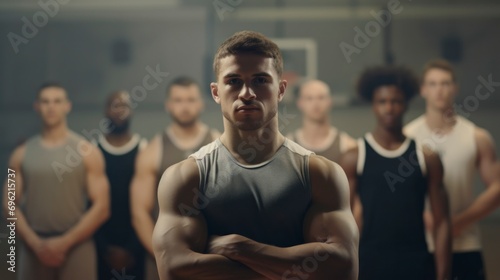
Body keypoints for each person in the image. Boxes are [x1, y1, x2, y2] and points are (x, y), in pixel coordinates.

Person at [152, 30, 359, 280]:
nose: (247, 93)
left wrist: (242, 249)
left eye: (260, 80)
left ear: (281, 89)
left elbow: (342, 266)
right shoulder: (186, 177)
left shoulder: (320, 174)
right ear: (216, 92)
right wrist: (283, 266)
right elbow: (174, 268)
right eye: (234, 81)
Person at [340, 65, 451, 280]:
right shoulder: (354, 156)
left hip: (416, 262)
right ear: (373, 105)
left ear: (405, 105)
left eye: (396, 101)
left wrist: (443, 275)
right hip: (369, 263)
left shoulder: (426, 157)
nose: (389, 108)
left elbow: (442, 221)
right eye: (382, 102)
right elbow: (342, 221)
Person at [2, 82, 110, 280]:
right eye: (45, 101)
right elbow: (9, 204)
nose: (51, 106)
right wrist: (36, 244)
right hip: (34, 245)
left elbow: (102, 207)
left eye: (57, 101)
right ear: (37, 106)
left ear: (67, 106)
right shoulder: (20, 154)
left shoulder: (87, 152)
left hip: (77, 246)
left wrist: (65, 242)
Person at [405, 59, 500, 280]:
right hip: (421, 244)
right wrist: (425, 217)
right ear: (423, 89)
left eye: (445, 83)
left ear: (455, 88)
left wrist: (459, 223)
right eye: (433, 83)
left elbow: (497, 188)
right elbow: (395, 190)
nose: (440, 90)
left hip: (465, 244)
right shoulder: (408, 137)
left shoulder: (477, 137)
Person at [130, 76, 220, 280]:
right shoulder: (152, 150)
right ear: (168, 106)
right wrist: (162, 254)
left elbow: (231, 204)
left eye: (190, 100)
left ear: (201, 104)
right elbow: (139, 213)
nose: (185, 106)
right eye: (178, 100)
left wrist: (216, 253)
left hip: (209, 255)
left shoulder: (217, 143)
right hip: (164, 255)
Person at [94, 91, 147, 280]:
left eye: (124, 106)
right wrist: (105, 249)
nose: (119, 111)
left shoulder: (144, 149)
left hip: (135, 247)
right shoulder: (93, 150)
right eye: (114, 105)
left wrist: (132, 249)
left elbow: (147, 207)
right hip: (101, 247)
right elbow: (88, 206)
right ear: (106, 111)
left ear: (131, 111)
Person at [288, 79, 356, 162]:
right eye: (309, 98)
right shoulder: (288, 146)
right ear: (300, 103)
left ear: (330, 102)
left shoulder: (347, 146)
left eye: (321, 98)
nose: (315, 103)